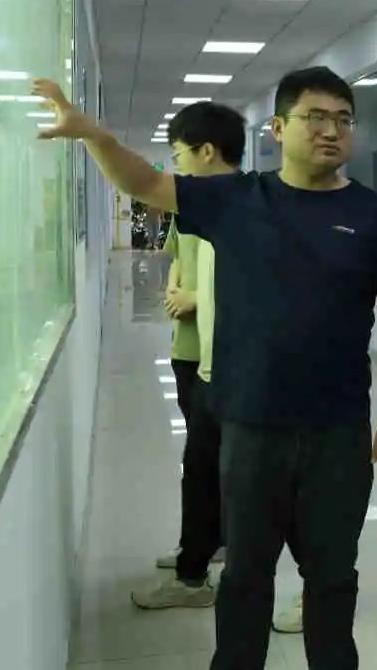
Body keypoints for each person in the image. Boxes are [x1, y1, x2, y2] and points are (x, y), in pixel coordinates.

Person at [32, 66, 377, 670]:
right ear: (279, 128)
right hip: (249, 426)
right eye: (316, 117)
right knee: (244, 573)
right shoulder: (237, 199)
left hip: (338, 431)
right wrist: (94, 135)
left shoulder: (375, 215)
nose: (332, 130)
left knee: (332, 577)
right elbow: (146, 183)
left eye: (343, 119)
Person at [131, 102, 243, 610]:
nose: (175, 164)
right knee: (201, 459)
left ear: (207, 151)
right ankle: (202, 547)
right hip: (190, 347)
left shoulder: (245, 208)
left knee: (205, 464)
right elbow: (176, 255)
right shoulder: (190, 205)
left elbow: (246, 282)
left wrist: (198, 298)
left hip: (221, 358)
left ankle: (195, 568)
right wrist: (176, 288)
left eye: (179, 154)